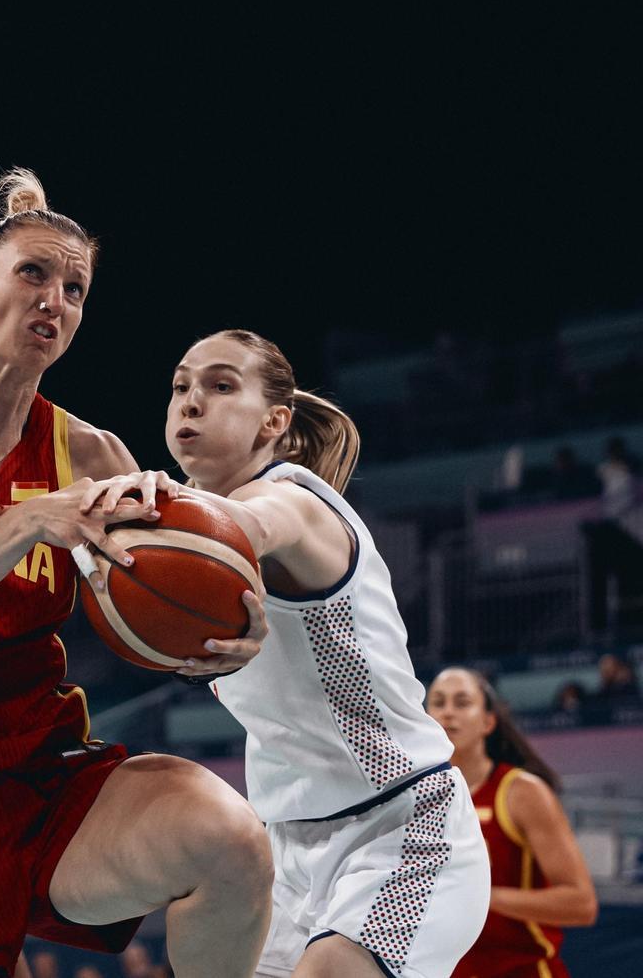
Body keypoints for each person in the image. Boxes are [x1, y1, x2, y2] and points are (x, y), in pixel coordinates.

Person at [0, 172, 274, 978]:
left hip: (46, 772)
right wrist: (30, 519)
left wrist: (227, 638)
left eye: (75, 287)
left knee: (232, 842)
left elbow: (171, 586)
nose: (56, 300)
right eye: (34, 273)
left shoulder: (93, 453)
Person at [92, 330, 490, 978]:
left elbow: (251, 524)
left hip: (403, 825)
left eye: (220, 385)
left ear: (274, 420)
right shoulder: (195, 538)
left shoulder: (293, 502)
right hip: (286, 846)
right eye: (180, 385)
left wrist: (149, 511)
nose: (191, 401)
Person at [427, 667, 597, 977]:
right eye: (438, 702)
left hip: (523, 969)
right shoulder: (418, 798)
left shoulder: (521, 792)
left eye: (462, 702)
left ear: (488, 721)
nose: (448, 712)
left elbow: (581, 903)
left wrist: (482, 896)